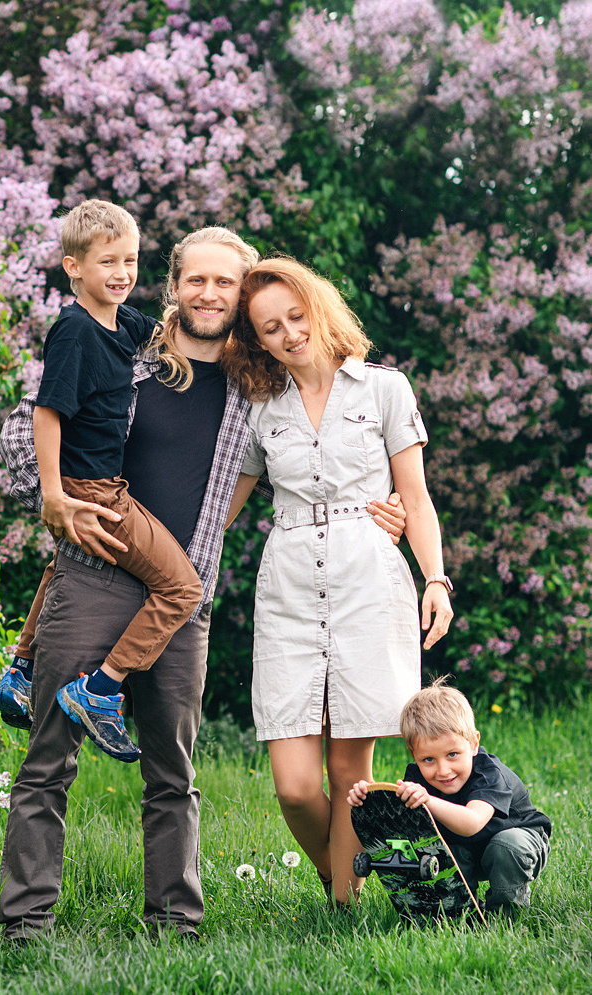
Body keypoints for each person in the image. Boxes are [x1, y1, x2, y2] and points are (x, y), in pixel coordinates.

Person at [0, 230, 408, 942]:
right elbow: (38, 423)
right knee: (48, 758)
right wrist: (54, 494)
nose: (209, 294)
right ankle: (25, 925)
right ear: (175, 285)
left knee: (172, 774)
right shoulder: (126, 356)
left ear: (241, 296)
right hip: (92, 574)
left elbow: (326, 448)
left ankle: (175, 923)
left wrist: (383, 505)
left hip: (182, 595)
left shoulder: (262, 389)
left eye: (226, 283)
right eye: (197, 280)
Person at [223, 254, 454, 907]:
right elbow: (223, 507)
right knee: (295, 783)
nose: (289, 333)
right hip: (289, 582)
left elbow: (416, 497)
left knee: (351, 769)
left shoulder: (385, 388)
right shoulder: (258, 406)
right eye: (270, 327)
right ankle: (344, 869)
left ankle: (343, 909)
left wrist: (436, 579)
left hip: (367, 577)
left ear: (319, 308)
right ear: (257, 339)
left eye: (296, 316)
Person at [0, 199, 203, 762]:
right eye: (107, 262)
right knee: (183, 588)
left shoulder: (120, 320)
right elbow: (46, 412)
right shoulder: (75, 332)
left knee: (60, 565)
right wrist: (55, 494)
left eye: (130, 261)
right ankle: (101, 690)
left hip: (103, 482)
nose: (122, 274)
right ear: (73, 267)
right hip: (92, 489)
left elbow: (165, 331)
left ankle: (21, 671)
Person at [348, 677, 551, 916]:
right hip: (463, 849)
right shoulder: (417, 777)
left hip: (518, 846)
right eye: (428, 760)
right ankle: (462, 913)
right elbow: (405, 829)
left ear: (474, 743)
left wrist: (427, 800)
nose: (443, 770)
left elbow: (471, 823)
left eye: (453, 754)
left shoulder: (490, 775)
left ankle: (505, 915)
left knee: (505, 846)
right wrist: (369, 799)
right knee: (440, 850)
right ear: (414, 755)